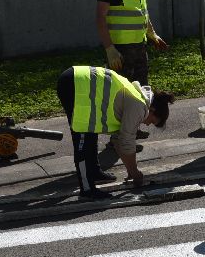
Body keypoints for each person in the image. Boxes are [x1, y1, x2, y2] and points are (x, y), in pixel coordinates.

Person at [55, 65, 175, 199]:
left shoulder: (138, 97)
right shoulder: (139, 106)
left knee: (91, 129)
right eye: (152, 121)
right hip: (75, 84)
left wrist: (130, 170)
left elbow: (119, 140)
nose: (146, 124)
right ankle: (87, 190)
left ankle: (94, 172)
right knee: (82, 140)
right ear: (152, 110)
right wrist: (135, 173)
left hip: (78, 81)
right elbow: (127, 141)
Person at [95, 0, 167, 101]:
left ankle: (135, 125)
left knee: (141, 92)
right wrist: (109, 49)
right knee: (121, 94)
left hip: (140, 47)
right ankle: (122, 127)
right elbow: (100, 17)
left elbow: (142, 10)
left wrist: (152, 33)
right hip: (119, 51)